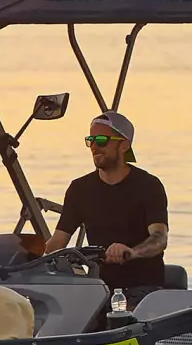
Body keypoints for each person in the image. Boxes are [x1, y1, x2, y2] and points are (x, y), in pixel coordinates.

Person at [43, 111, 170, 294]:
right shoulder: (79, 189)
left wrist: (132, 252)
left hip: (144, 288)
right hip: (98, 289)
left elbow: (159, 238)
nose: (95, 146)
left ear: (124, 145)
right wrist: (26, 259)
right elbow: (58, 241)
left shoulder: (149, 185)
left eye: (102, 140)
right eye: (91, 140)